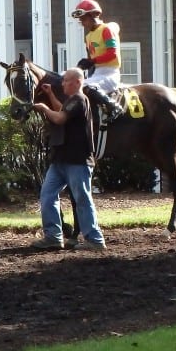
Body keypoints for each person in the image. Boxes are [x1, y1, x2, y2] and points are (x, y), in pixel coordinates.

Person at [30, 68, 106, 251]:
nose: (62, 84)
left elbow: (59, 118)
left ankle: (95, 240)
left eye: (66, 81)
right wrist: (49, 95)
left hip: (77, 160)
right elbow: (61, 110)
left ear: (77, 83)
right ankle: (53, 237)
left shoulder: (80, 99)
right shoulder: (71, 101)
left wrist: (44, 108)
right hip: (60, 160)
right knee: (47, 195)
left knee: (82, 199)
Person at [71, 0, 123, 123]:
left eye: (84, 18)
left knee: (88, 86)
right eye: (81, 20)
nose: (82, 22)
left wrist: (92, 61)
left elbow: (113, 54)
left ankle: (114, 107)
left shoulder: (106, 30)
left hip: (110, 73)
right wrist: (83, 65)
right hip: (97, 73)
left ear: (94, 15)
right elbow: (92, 59)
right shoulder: (88, 37)